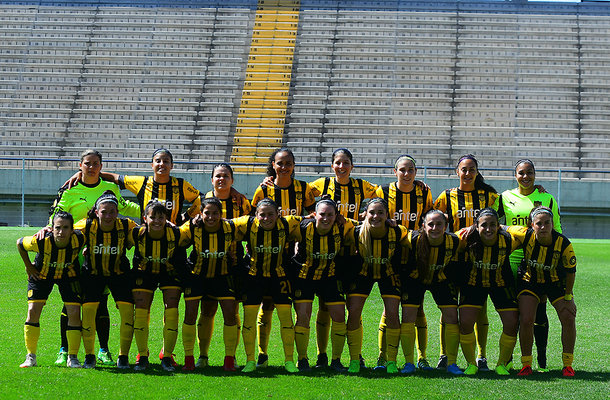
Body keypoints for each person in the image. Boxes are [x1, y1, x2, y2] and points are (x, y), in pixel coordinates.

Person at [44, 149, 140, 366]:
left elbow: (124, 206)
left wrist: (148, 212)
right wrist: (49, 230)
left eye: (96, 163)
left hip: (102, 253)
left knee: (100, 302)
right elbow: (55, 217)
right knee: (71, 303)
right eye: (87, 163)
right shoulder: (69, 189)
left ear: (101, 166)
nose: (91, 167)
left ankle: (103, 349)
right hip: (74, 255)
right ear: (80, 165)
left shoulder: (110, 188)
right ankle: (65, 348)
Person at [306, 148, 378, 368]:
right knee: (325, 307)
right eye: (338, 162)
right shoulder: (322, 184)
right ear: (332, 166)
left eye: (346, 163)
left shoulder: (362, 186)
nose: (342, 167)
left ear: (352, 166)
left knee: (354, 308)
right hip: (331, 256)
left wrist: (367, 213)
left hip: (355, 255)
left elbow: (384, 195)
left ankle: (356, 354)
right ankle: (322, 354)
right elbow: (299, 192)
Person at [433, 154, 499, 371]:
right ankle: (444, 355)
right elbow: (433, 219)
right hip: (453, 260)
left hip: (479, 261)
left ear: (477, 172)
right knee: (448, 309)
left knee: (480, 310)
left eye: (472, 169)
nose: (468, 173)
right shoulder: (446, 196)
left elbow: (505, 214)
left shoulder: (489, 196)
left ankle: (481, 356)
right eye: (464, 169)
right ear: (457, 172)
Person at [251, 148, 315, 368]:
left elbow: (312, 217)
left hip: (293, 258)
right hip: (266, 258)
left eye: (288, 163)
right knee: (266, 305)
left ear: (294, 165)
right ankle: (262, 354)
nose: (284, 167)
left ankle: (299, 357)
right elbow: (253, 221)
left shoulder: (304, 188)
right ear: (273, 165)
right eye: (280, 163)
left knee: (294, 306)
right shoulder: (263, 189)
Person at [496, 159, 562, 372]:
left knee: (539, 312)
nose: (526, 177)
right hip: (511, 261)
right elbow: (492, 222)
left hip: (538, 262)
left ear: (535, 174)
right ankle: (508, 359)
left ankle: (541, 356)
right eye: (521, 173)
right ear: (515, 175)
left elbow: (557, 230)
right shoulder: (504, 197)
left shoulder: (547, 198)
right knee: (513, 314)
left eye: (529, 173)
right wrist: (507, 228)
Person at [374, 154, 434, 371]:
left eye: (411, 170)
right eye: (402, 169)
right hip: (390, 255)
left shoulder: (424, 192)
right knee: (388, 308)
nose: (406, 174)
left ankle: (421, 357)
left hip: (416, 256)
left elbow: (429, 220)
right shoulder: (382, 192)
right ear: (395, 172)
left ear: (416, 172)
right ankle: (383, 357)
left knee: (418, 308)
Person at [231, 198, 302, 373]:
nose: (266, 218)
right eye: (262, 215)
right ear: (256, 215)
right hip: (253, 277)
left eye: (271, 214)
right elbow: (224, 224)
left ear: (278, 214)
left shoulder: (288, 223)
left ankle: (289, 360)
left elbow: (312, 221)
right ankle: (250, 360)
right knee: (249, 318)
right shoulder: (247, 223)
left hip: (280, 276)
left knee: (286, 318)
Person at [508, 206, 577, 378]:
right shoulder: (525, 234)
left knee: (568, 316)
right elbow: (504, 227)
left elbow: (571, 272)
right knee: (526, 319)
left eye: (547, 223)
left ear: (553, 224)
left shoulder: (564, 244)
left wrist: (568, 296)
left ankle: (567, 364)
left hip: (555, 282)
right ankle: (526, 364)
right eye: (539, 223)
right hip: (529, 280)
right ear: (532, 225)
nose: (543, 226)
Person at [195, 163, 251, 368]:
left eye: (226, 176)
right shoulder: (201, 201)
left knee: (232, 310)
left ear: (232, 180)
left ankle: (231, 357)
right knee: (207, 309)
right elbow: (191, 224)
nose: (222, 179)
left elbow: (252, 225)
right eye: (218, 176)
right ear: (211, 180)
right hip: (207, 263)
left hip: (233, 264)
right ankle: (203, 356)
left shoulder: (241, 202)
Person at [343, 198, 407, 374]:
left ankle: (390, 360)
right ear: (365, 214)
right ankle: (355, 359)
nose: (376, 216)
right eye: (372, 212)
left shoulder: (398, 231)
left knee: (392, 313)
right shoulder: (355, 232)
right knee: (353, 312)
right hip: (363, 272)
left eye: (380, 213)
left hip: (389, 273)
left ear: (387, 215)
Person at [75, 192, 138, 369]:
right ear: (97, 212)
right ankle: (89, 356)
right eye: (104, 212)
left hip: (119, 274)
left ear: (118, 212)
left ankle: (123, 357)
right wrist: (47, 229)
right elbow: (64, 230)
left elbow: (144, 234)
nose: (108, 216)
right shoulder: (87, 225)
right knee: (88, 312)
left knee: (127, 312)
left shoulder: (126, 225)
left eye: (112, 212)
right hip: (93, 274)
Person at [399, 210, 464, 375]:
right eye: (431, 224)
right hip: (415, 279)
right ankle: (409, 363)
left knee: (452, 317)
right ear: (423, 226)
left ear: (446, 226)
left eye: (439, 224)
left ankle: (452, 363)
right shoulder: (412, 239)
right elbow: (396, 234)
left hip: (440, 280)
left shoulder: (454, 241)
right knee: (408, 317)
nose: (435, 228)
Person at [292, 198, 354, 372]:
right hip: (304, 276)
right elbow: (280, 224)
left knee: (339, 315)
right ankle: (302, 359)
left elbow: (368, 225)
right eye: (322, 214)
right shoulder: (303, 227)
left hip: (329, 276)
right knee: (303, 316)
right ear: (315, 214)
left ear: (336, 216)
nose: (326, 218)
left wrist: (388, 222)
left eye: (330, 215)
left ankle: (335, 360)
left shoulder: (343, 226)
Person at [178, 197, 240, 372]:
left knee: (230, 314)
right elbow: (175, 236)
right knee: (191, 314)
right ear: (201, 213)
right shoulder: (192, 227)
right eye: (207, 213)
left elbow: (253, 222)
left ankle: (230, 359)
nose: (211, 217)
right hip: (197, 277)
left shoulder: (230, 227)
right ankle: (193, 358)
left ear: (221, 214)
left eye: (215, 213)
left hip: (222, 277)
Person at [456, 208, 519, 376]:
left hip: (500, 283)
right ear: (476, 226)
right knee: (465, 322)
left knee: (512, 322)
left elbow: (527, 234)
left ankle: (502, 364)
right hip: (473, 283)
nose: (488, 229)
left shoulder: (508, 240)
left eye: (493, 225)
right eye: (484, 225)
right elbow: (448, 240)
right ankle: (471, 364)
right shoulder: (466, 238)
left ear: (499, 226)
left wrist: (507, 228)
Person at [18, 211, 85, 368]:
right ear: (52, 228)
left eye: (66, 228)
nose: (61, 232)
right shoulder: (40, 240)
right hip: (42, 275)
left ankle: (73, 357)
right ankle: (30, 357)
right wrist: (28, 266)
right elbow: (20, 243)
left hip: (69, 275)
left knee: (74, 312)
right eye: (58, 228)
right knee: (33, 311)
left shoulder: (80, 238)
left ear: (72, 229)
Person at [65, 148, 201, 225]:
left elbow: (200, 199)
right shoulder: (141, 182)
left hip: (174, 236)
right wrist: (83, 173)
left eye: (166, 161)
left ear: (172, 165)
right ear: (152, 165)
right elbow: (115, 178)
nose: (162, 164)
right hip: (146, 236)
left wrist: (187, 215)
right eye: (158, 161)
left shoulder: (181, 184)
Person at [131, 200, 187, 372]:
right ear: (144, 218)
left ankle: (167, 356)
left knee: (172, 310)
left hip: (169, 272)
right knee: (141, 310)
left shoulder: (176, 234)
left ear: (166, 219)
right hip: (144, 273)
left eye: (161, 217)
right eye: (152, 217)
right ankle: (142, 355)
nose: (156, 221)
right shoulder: (136, 233)